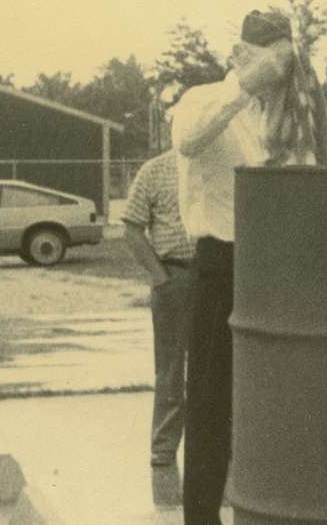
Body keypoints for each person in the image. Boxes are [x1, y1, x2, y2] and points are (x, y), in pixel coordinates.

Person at [171, 9, 315, 524]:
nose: (279, 73)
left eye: (284, 60)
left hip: (279, 266)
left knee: (279, 402)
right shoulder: (204, 100)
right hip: (222, 263)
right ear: (238, 55)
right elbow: (188, 137)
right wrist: (247, 82)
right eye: (266, 58)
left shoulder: (294, 118)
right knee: (209, 406)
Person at [122, 148, 197, 470]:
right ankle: (164, 448)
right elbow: (132, 229)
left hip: (219, 274)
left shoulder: (222, 167)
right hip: (175, 275)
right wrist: (160, 277)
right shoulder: (154, 171)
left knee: (218, 364)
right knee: (171, 366)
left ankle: (222, 444)